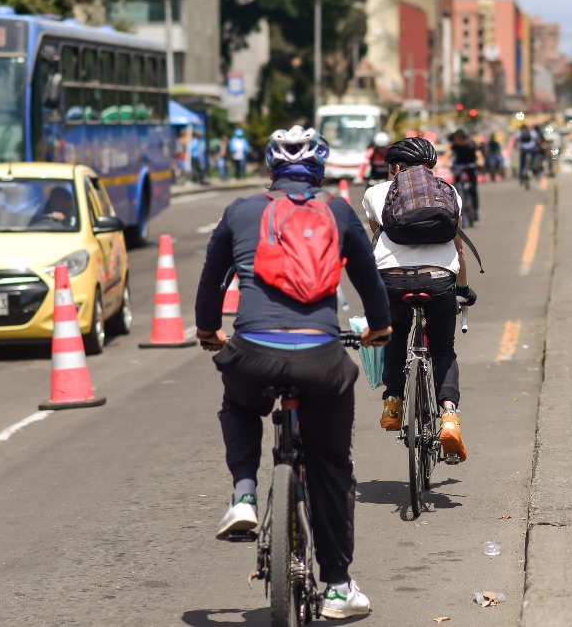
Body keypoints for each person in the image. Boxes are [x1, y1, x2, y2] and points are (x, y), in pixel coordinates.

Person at [196, 126, 392, 619]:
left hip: (252, 354)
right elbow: (368, 281)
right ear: (320, 169)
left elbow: (210, 282)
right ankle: (338, 587)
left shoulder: (240, 211)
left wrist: (208, 332)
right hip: (321, 361)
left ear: (271, 168)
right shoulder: (338, 211)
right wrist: (380, 329)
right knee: (330, 466)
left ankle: (243, 494)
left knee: (238, 402)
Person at [362, 138, 476, 464]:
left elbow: (376, 237)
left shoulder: (375, 193)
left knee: (395, 334)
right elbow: (459, 249)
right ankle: (449, 416)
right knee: (443, 349)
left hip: (392, 281)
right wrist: (463, 289)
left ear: (394, 167)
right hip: (440, 280)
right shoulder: (450, 192)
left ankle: (394, 401)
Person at [449, 130, 481, 224]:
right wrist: (443, 163)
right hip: (459, 168)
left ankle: (474, 210)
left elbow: (478, 154)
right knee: (455, 189)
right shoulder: (455, 146)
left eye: (457, 139)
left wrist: (480, 161)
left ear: (462, 138)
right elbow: (448, 154)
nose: (456, 141)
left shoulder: (471, 145)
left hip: (470, 168)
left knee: (473, 189)